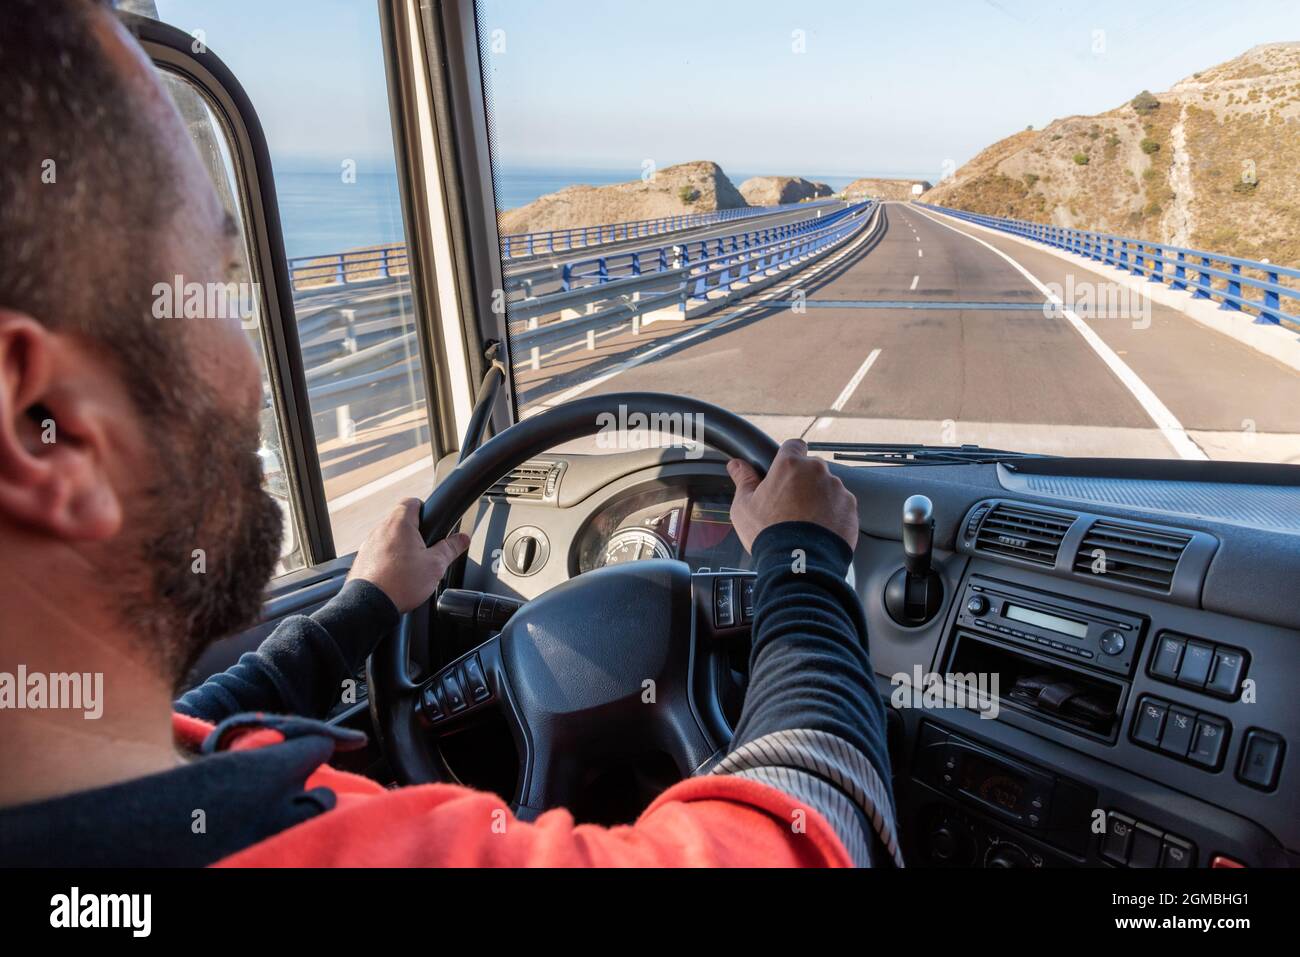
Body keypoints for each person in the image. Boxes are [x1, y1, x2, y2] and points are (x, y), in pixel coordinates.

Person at [0, 0, 899, 867]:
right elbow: (806, 837)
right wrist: (800, 561)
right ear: (47, 429)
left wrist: (365, 605)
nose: (254, 366)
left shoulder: (98, 764)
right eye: (214, 287)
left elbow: (208, 715)